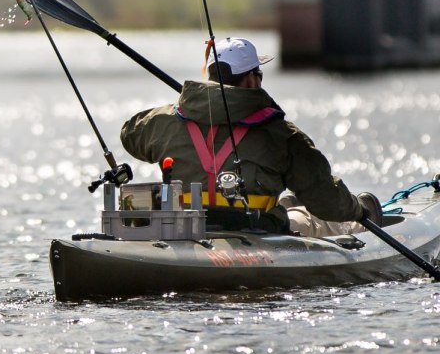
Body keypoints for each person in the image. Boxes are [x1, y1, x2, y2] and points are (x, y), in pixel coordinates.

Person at [119, 36, 381, 235]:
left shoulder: (165, 121)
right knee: (317, 219)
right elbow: (326, 201)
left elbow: (129, 134)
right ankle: (357, 220)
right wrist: (357, 210)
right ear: (252, 80)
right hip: (258, 232)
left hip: (184, 230)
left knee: (289, 206)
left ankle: (288, 204)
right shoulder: (282, 135)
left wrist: (190, 107)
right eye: (258, 74)